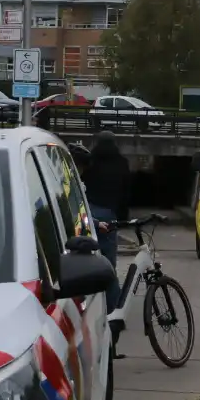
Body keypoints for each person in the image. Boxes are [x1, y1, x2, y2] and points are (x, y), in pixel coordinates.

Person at [81, 131, 131, 316]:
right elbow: (126, 194)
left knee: (86, 258)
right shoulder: (122, 164)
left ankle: (87, 304)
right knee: (108, 262)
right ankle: (113, 308)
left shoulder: (90, 162)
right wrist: (122, 217)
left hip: (89, 212)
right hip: (109, 214)